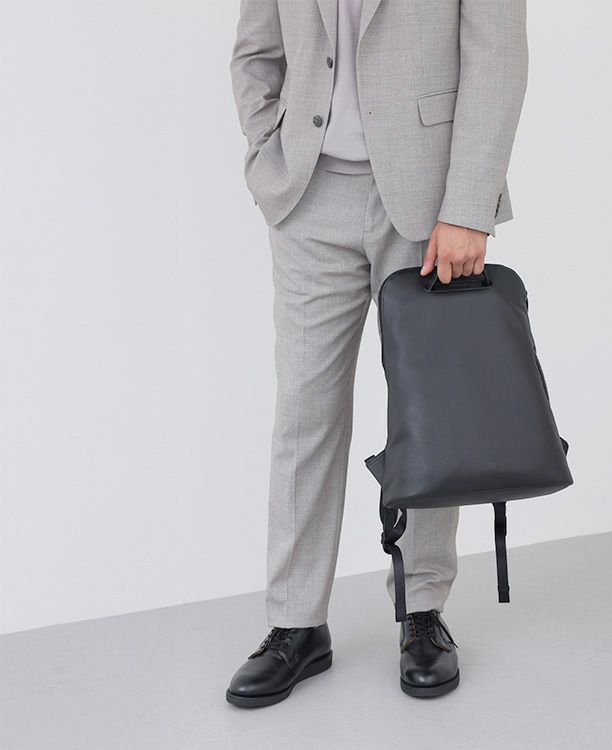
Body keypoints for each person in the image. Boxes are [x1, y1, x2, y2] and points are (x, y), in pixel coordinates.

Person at [225, 0, 528, 706]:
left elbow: (498, 59)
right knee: (303, 415)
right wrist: (268, 150)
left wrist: (468, 207)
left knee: (430, 418)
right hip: (308, 196)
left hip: (429, 201)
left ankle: (423, 611)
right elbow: (255, 52)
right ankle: (296, 623)